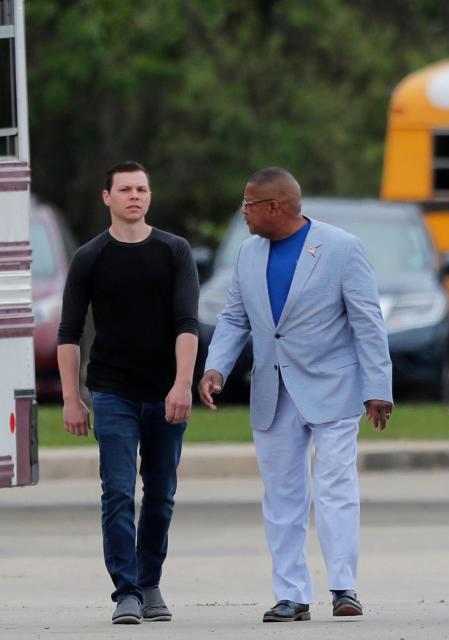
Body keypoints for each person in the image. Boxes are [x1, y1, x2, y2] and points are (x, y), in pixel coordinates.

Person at [197, 167, 393, 623]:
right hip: (273, 390)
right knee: (282, 495)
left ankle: (344, 587)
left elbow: (368, 322)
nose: (243, 212)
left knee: (335, 487)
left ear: (275, 207)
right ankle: (292, 595)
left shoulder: (342, 248)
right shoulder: (247, 254)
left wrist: (377, 387)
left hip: (334, 387)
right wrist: (216, 366)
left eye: (249, 204)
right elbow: (234, 318)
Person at [57, 161, 199, 625]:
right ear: (107, 198)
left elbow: (187, 324)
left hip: (164, 392)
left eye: (141, 189)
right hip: (112, 391)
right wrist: (71, 398)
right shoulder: (90, 257)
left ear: (149, 197)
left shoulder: (174, 251)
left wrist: (181, 384)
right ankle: (127, 592)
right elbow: (68, 333)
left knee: (160, 492)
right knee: (118, 491)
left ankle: (150, 581)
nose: (134, 196)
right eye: (125, 189)